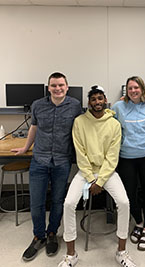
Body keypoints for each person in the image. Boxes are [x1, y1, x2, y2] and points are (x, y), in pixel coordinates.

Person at [58, 85, 136, 267]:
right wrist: (91, 179)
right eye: (93, 99)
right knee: (68, 204)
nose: (97, 102)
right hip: (85, 172)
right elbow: (80, 153)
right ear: (89, 102)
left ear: (105, 100)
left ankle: (122, 252)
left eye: (100, 98)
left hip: (107, 172)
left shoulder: (114, 124)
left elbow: (112, 156)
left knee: (124, 203)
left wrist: (100, 181)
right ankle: (71, 255)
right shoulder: (79, 122)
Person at [11, 72, 82, 261]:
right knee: (37, 202)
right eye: (53, 85)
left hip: (62, 161)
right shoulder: (38, 105)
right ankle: (38, 236)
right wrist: (26, 147)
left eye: (61, 85)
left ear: (67, 86)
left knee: (58, 201)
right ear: (48, 88)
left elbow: (82, 129)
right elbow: (34, 127)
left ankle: (52, 234)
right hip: (40, 159)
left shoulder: (74, 106)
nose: (57, 89)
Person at [112, 76, 145, 251]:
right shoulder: (118, 107)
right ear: (126, 90)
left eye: (136, 87)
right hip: (127, 157)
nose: (133, 91)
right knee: (129, 195)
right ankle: (138, 223)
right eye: (130, 88)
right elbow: (109, 127)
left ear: (142, 89)